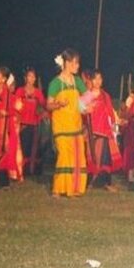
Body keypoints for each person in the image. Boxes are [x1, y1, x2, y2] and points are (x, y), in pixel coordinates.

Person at [47, 50, 91, 198]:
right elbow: (48, 105)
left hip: (76, 125)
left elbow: (86, 99)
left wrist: (87, 107)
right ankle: (58, 188)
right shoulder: (55, 83)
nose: (77, 65)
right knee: (64, 156)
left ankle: (74, 188)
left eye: (78, 62)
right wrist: (58, 104)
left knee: (77, 157)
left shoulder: (77, 81)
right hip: (61, 125)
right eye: (74, 62)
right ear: (66, 63)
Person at [87, 69, 122, 192]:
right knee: (91, 156)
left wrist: (114, 123)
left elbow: (110, 111)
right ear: (90, 81)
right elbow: (82, 110)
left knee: (106, 158)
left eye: (100, 78)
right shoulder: (88, 94)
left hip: (104, 131)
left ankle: (107, 183)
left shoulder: (105, 95)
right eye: (95, 78)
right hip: (91, 131)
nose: (97, 81)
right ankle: (90, 182)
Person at [15, 67, 46, 176]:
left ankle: (33, 171)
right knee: (23, 148)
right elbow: (16, 106)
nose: (31, 78)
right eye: (29, 76)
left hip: (34, 124)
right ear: (25, 78)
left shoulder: (38, 92)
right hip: (23, 124)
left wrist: (41, 112)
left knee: (35, 149)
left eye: (33, 77)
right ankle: (22, 171)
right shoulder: (20, 91)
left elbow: (43, 106)